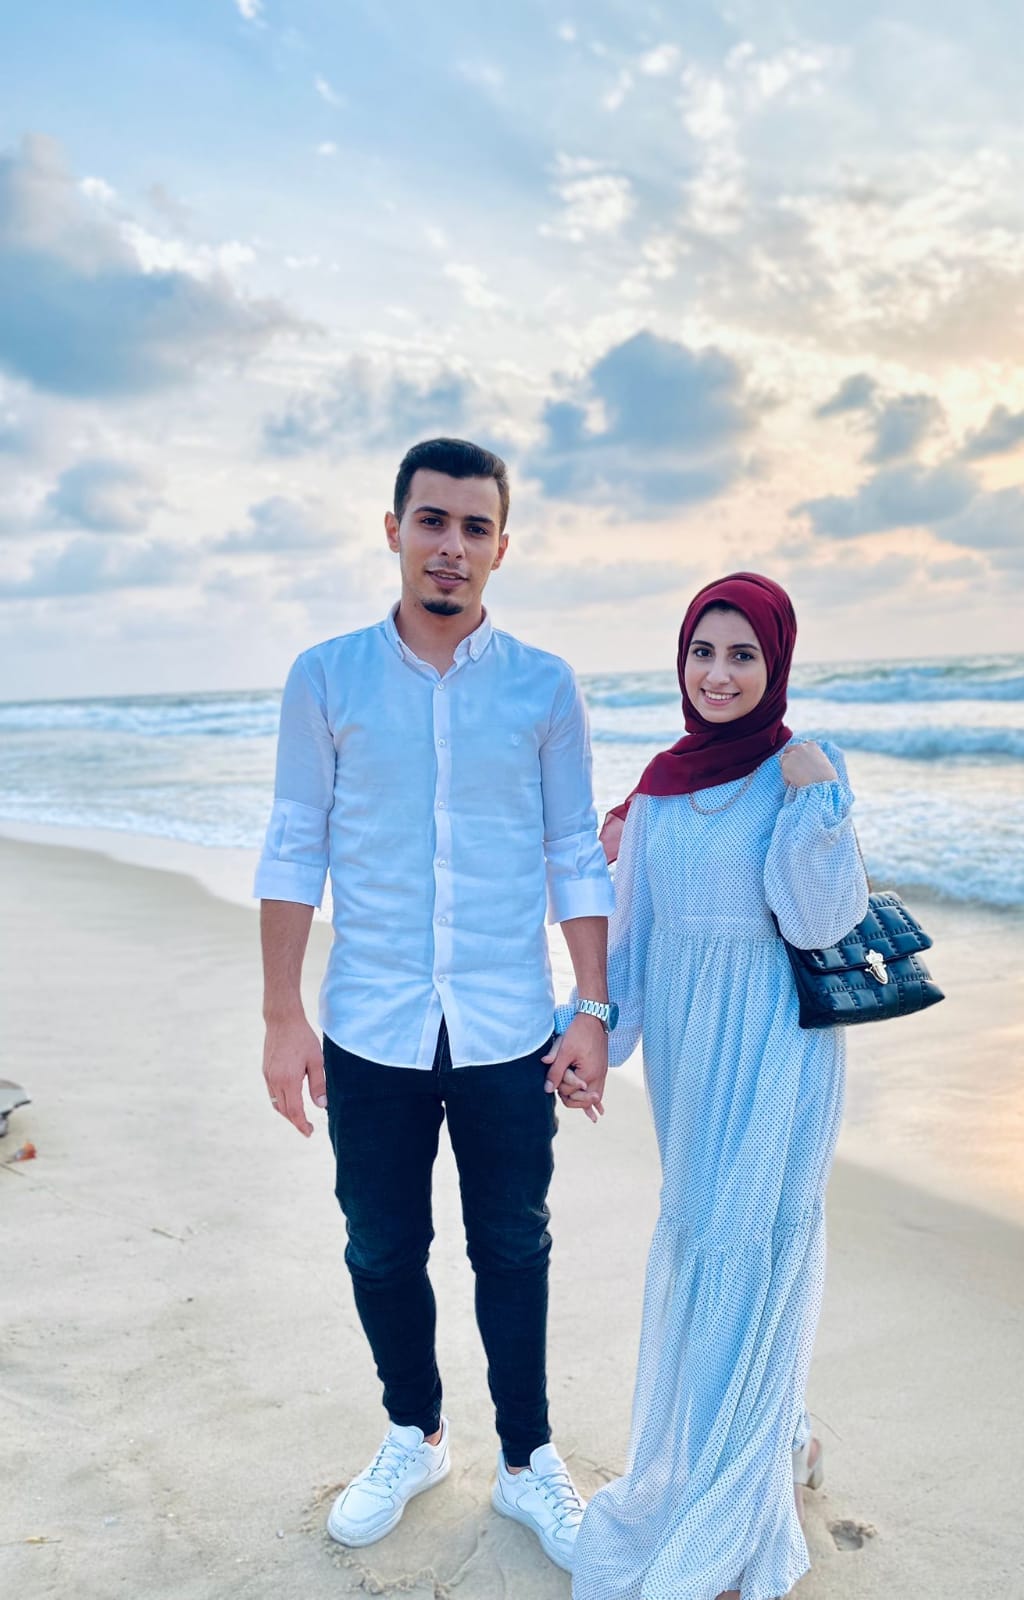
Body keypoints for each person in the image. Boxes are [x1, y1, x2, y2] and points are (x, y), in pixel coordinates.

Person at [254, 437, 617, 1573]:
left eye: (474, 527)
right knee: (379, 1246)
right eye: (432, 521)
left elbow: (572, 850)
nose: (451, 546)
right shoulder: (327, 676)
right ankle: (413, 1434)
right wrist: (280, 1015)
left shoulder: (544, 684)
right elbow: (293, 843)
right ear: (394, 529)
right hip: (370, 1024)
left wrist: (592, 1005)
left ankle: (526, 1462)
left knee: (514, 1245)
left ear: (502, 546)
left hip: (513, 1024)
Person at [558, 572, 869, 1600]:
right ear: (681, 662)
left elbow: (820, 922)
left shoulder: (799, 767)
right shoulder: (657, 785)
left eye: (744, 654)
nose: (721, 672)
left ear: (776, 663)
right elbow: (636, 939)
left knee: (751, 1249)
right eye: (704, 651)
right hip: (694, 1059)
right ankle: (781, 1436)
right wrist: (592, 1034)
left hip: (779, 1046)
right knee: (705, 1244)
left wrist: (815, 800)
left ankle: (735, 1516)